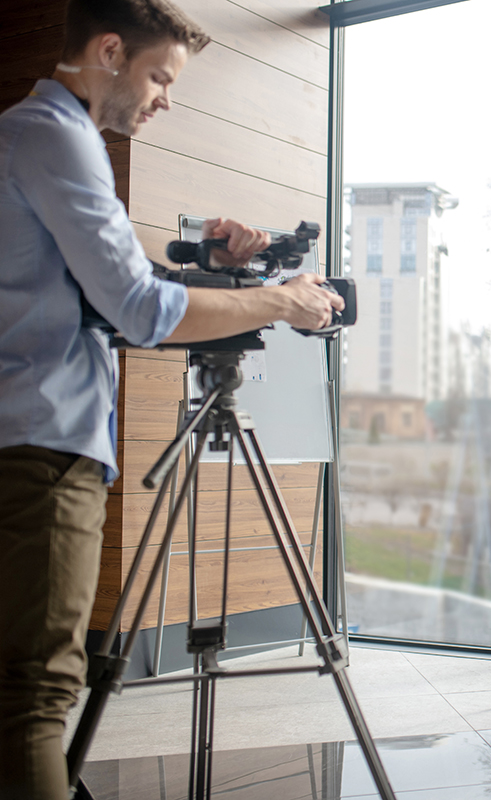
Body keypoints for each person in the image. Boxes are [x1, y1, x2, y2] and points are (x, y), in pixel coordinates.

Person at [0, 2, 344, 798]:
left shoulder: (45, 137)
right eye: (159, 76)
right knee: (37, 697)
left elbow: (103, 287)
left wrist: (221, 271)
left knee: (25, 692)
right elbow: (140, 312)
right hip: (44, 451)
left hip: (36, 438)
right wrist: (281, 302)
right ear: (109, 51)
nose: (165, 99)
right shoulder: (57, 138)